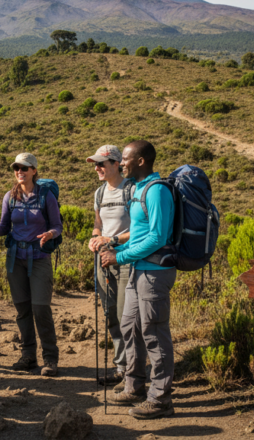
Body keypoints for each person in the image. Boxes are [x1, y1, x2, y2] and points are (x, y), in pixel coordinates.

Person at [106, 140, 176, 420]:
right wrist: (117, 250)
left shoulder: (157, 191)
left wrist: (120, 258)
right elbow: (138, 235)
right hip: (138, 270)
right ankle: (134, 386)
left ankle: (160, 399)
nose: (121, 163)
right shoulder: (138, 189)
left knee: (154, 333)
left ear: (141, 161)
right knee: (130, 326)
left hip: (155, 273)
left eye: (125, 158)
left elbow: (158, 237)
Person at [0, 153, 62, 376]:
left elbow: (57, 225)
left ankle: (50, 359)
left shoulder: (46, 196)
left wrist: (50, 234)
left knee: (40, 308)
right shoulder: (10, 197)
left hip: (40, 259)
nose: (20, 172)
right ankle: (28, 356)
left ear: (34, 170)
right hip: (15, 259)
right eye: (17, 168)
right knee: (23, 309)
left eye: (24, 168)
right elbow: (5, 226)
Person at [86, 145, 134, 385]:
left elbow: (139, 230)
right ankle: (121, 367)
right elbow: (98, 224)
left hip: (126, 260)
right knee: (111, 314)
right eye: (95, 164)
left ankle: (133, 371)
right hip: (103, 260)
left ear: (117, 164)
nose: (97, 168)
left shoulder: (131, 190)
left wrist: (112, 240)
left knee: (126, 315)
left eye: (102, 164)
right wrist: (96, 238)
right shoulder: (99, 194)